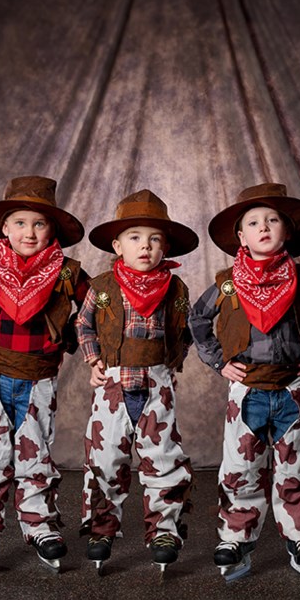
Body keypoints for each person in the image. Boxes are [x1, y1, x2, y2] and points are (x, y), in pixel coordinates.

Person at [188, 182, 300, 579]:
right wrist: (217, 361)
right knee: (241, 466)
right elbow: (197, 320)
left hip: (292, 391)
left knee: (299, 467)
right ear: (241, 236)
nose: (264, 227)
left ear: (287, 232)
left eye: (273, 220)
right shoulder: (228, 283)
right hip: (246, 391)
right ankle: (235, 536)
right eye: (254, 222)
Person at [0, 175, 90, 573]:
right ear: (4, 227)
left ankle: (39, 525)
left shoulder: (67, 273)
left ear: (53, 230)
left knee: (35, 453)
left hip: (39, 378)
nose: (29, 232)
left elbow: (91, 312)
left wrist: (67, 340)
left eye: (39, 224)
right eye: (20, 222)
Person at [75, 189, 198, 573]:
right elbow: (83, 325)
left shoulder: (176, 290)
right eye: (134, 238)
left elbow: (185, 331)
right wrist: (94, 360)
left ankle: (164, 530)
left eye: (154, 239)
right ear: (117, 245)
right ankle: (101, 528)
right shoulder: (102, 287)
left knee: (162, 460)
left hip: (156, 385)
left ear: (165, 247)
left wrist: (173, 363)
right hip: (112, 385)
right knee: (105, 459)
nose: (145, 246)